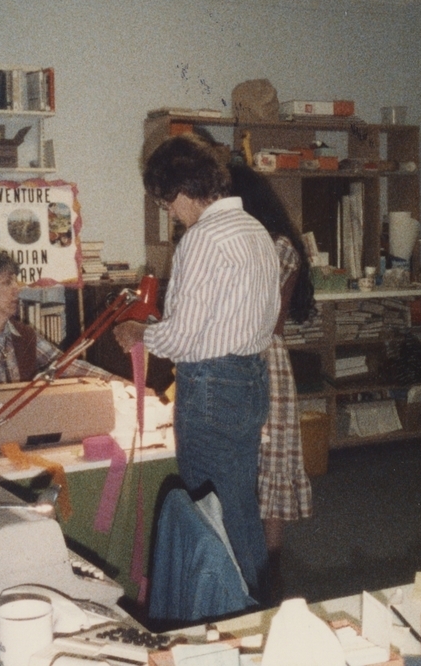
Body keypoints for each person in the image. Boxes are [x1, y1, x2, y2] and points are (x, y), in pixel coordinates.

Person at [114, 134, 280, 603]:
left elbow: (182, 338)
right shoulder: (254, 230)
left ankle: (237, 613)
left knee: (211, 512)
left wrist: (140, 333)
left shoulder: (203, 239)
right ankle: (253, 606)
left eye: (167, 202)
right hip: (249, 380)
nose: (170, 212)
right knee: (239, 504)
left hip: (211, 385)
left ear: (185, 190)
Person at [228, 161, 315, 592]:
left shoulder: (276, 246)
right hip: (246, 355)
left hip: (265, 359)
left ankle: (270, 570)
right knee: (249, 464)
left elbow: (250, 307)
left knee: (273, 463)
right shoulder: (261, 241)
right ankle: (250, 561)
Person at [0, 248, 112, 388]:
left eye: (15, 281)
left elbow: (65, 364)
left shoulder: (25, 335)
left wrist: (115, 381)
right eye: (7, 282)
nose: (17, 288)